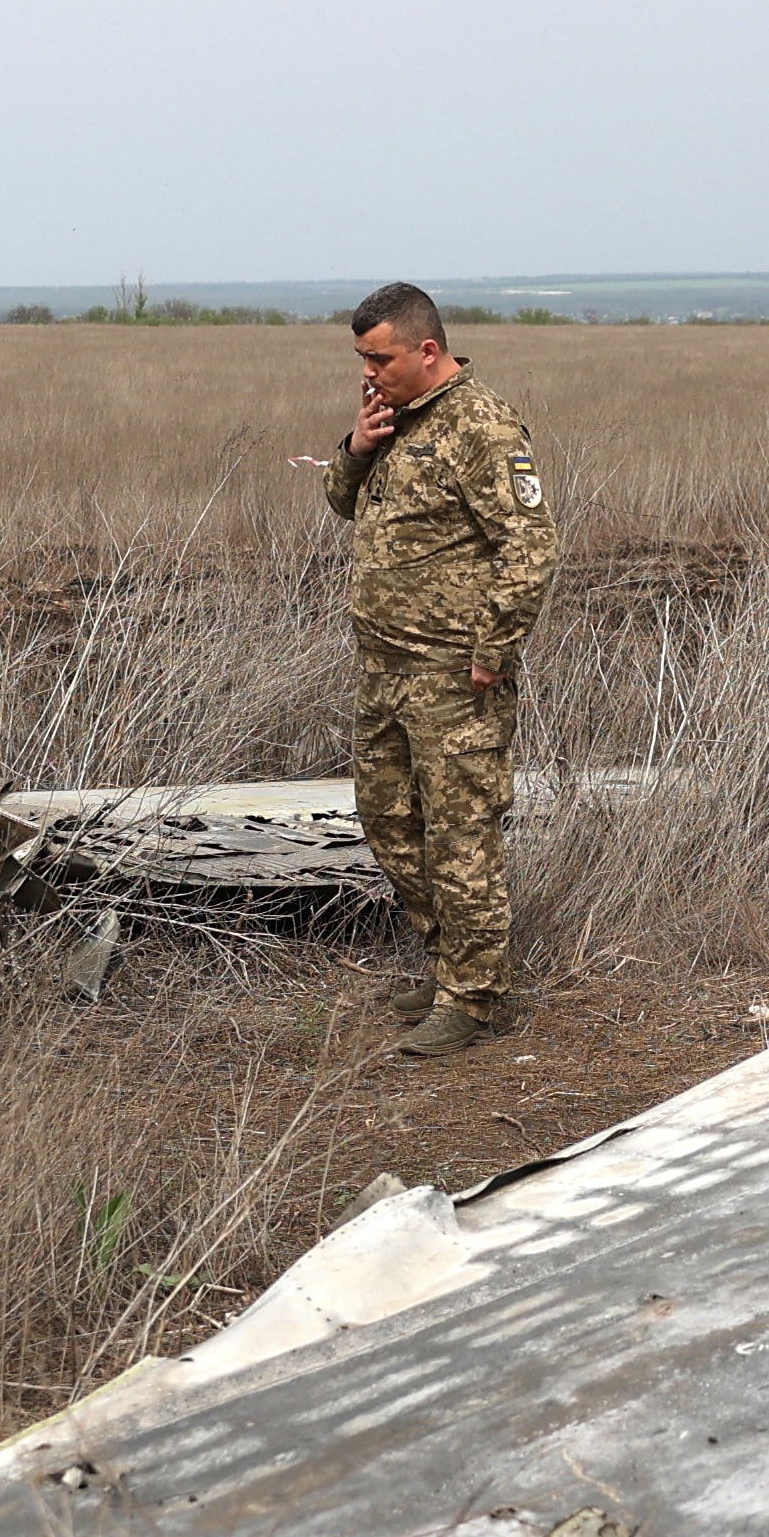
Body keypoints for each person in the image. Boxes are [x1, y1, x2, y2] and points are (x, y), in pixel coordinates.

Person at [322, 283, 555, 1058]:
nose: (368, 373)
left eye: (379, 358)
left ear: (427, 350)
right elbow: (342, 502)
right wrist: (357, 446)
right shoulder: (391, 418)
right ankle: (444, 962)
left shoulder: (481, 426)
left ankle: (476, 997)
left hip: (455, 676)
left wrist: (493, 653)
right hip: (383, 667)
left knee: (461, 834)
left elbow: (530, 546)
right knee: (390, 821)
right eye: (360, 359)